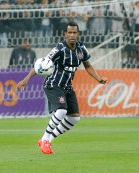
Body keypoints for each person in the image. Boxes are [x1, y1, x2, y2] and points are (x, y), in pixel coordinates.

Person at [17, 21, 108, 154]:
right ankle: (44, 140)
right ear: (65, 34)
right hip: (53, 84)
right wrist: (26, 80)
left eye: (74, 32)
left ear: (78, 34)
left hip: (67, 86)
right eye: (69, 32)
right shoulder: (59, 49)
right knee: (61, 110)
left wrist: (98, 78)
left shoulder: (81, 49)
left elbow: (87, 65)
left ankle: (48, 139)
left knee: (74, 118)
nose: (72, 35)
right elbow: (41, 65)